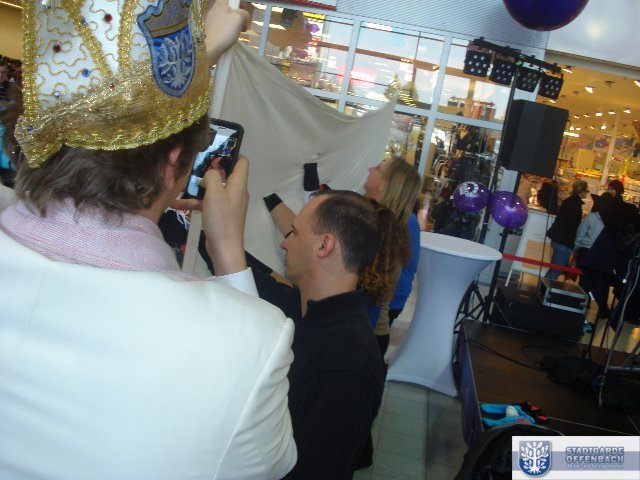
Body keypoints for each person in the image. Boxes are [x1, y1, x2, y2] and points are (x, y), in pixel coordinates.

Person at [0, 2, 297, 479]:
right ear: (173, 163)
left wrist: (188, 64)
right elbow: (266, 465)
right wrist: (228, 256)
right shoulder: (248, 346)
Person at [254, 191, 385, 480]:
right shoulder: (306, 311)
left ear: (325, 245)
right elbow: (252, 278)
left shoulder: (348, 364)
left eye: (294, 232)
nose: (285, 242)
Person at [363, 157, 421, 356]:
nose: (370, 169)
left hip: (380, 310)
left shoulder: (394, 227)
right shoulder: (383, 220)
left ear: (386, 185)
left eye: (378, 168)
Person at [545, 179, 589, 280]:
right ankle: (545, 288)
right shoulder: (576, 205)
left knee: (555, 268)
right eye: (586, 191)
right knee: (556, 270)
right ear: (581, 191)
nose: (587, 193)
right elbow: (573, 224)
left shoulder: (569, 201)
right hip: (564, 241)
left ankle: (544, 287)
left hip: (558, 238)